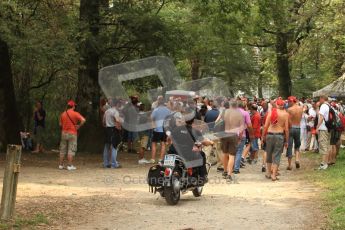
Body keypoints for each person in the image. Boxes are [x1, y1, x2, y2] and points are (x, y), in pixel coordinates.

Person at [167, 112, 214, 184]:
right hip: (187, 154)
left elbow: (169, 139)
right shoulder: (195, 131)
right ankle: (202, 177)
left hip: (173, 152)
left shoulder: (175, 129)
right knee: (201, 155)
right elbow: (204, 142)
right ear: (193, 121)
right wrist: (211, 142)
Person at [262, 99, 289, 181]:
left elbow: (265, 126)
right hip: (279, 136)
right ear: (283, 105)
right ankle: (274, 175)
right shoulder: (286, 114)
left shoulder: (271, 112)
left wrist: (263, 136)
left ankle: (268, 173)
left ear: (276, 105)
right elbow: (287, 129)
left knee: (269, 154)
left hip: (270, 135)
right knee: (277, 155)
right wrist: (286, 140)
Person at [220, 101, 244, 182]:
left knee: (224, 154)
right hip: (233, 135)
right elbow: (241, 128)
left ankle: (224, 171)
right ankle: (229, 174)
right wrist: (240, 138)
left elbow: (218, 123)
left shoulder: (224, 112)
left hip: (224, 134)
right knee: (232, 155)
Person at [59, 100, 86, 170]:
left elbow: (60, 124)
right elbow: (83, 120)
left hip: (64, 133)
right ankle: (69, 165)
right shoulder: (75, 113)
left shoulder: (63, 114)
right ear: (73, 106)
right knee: (71, 149)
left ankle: (61, 165)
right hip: (72, 133)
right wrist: (79, 126)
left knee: (62, 149)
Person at [103, 99, 123, 168]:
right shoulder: (115, 112)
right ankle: (114, 164)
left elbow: (103, 122)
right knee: (114, 146)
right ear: (117, 104)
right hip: (113, 130)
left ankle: (106, 163)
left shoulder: (106, 111)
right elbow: (117, 121)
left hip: (107, 130)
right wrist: (119, 128)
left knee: (107, 147)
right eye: (119, 104)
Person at [234, 101, 253, 174]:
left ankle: (230, 167)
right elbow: (249, 125)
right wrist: (251, 134)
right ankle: (236, 169)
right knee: (239, 152)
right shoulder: (245, 113)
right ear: (243, 106)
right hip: (242, 134)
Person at [150, 96, 171, 163]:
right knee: (163, 144)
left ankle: (153, 159)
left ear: (158, 102)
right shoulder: (168, 110)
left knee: (154, 144)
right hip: (164, 129)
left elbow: (151, 118)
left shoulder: (156, 110)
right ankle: (161, 159)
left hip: (157, 129)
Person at [286, 96, 303, 170]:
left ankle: (289, 165)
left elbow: (287, 120)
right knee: (297, 145)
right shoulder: (301, 108)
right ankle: (297, 159)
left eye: (289, 102)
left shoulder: (289, 109)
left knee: (289, 146)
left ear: (292, 101)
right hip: (298, 128)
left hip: (291, 128)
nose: (288, 103)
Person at [316, 95, 331, 170]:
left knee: (323, 145)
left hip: (323, 128)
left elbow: (321, 118)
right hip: (328, 128)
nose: (319, 100)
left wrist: (317, 127)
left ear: (322, 99)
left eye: (320, 99)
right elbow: (319, 114)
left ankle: (323, 164)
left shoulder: (324, 106)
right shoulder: (328, 105)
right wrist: (317, 107)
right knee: (327, 145)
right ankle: (326, 162)